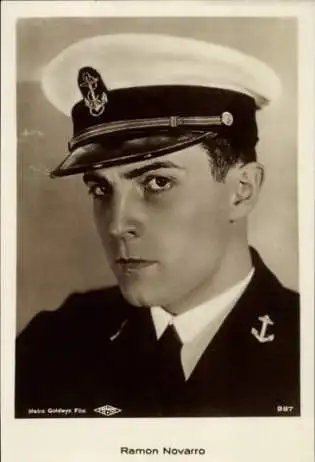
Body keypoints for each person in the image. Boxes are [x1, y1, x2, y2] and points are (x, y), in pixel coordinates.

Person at [15, 33, 300, 418]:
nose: (117, 224)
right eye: (100, 188)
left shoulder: (302, 348)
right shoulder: (52, 346)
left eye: (157, 182)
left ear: (242, 191)